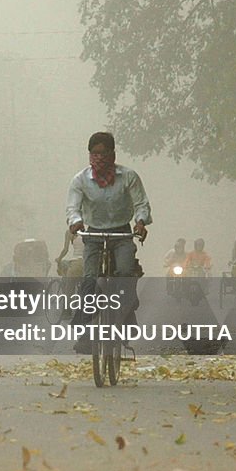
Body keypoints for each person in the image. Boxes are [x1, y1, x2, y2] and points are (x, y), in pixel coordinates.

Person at [65, 131, 152, 353]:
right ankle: (84, 333)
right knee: (89, 281)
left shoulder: (129, 177)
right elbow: (73, 208)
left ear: (113, 154)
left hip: (121, 235)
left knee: (124, 274)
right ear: (89, 155)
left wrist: (140, 222)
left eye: (104, 153)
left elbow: (141, 204)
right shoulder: (80, 180)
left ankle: (126, 319)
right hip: (93, 236)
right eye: (94, 154)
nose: (99, 158)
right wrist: (75, 222)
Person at [55, 228, 85, 296]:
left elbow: (65, 250)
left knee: (69, 290)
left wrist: (59, 259)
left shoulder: (69, 232)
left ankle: (68, 301)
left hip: (76, 262)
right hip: (86, 262)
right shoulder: (86, 233)